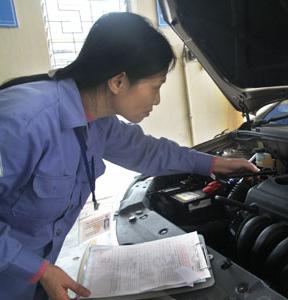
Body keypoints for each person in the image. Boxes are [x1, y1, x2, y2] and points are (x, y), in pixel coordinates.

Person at [0, 12, 258, 300]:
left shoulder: (98, 121)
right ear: (118, 82)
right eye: (156, 86)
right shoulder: (21, 121)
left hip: (33, 280)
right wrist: (37, 270)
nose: (157, 100)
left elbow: (149, 152)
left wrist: (214, 163)